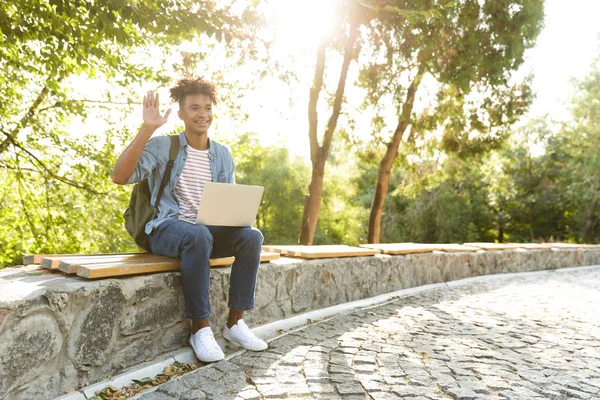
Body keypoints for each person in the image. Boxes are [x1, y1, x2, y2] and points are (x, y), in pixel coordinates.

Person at [112, 77, 267, 362]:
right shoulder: (163, 146)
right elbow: (120, 176)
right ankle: (200, 328)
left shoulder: (221, 154)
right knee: (198, 235)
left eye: (207, 108)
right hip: (165, 228)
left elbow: (227, 204)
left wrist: (239, 217)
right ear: (181, 113)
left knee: (251, 237)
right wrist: (147, 129)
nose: (202, 114)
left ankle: (235, 323)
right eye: (194, 108)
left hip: (205, 233)